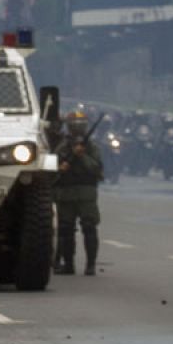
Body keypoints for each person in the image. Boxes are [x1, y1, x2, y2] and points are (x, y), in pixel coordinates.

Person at [54, 108, 102, 276]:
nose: (77, 128)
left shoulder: (92, 147)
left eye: (80, 125)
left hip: (86, 193)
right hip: (66, 193)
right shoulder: (63, 145)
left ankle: (90, 265)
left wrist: (82, 156)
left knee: (89, 228)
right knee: (66, 230)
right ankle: (68, 264)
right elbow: (54, 167)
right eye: (74, 125)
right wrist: (62, 166)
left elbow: (96, 169)